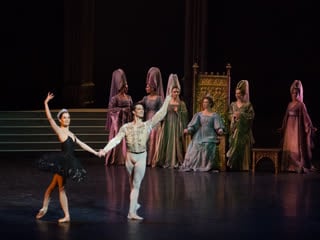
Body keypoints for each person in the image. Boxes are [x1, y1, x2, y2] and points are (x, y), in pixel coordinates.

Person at [98, 90, 173, 220]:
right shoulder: (126, 127)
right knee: (133, 185)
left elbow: (161, 114)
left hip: (141, 157)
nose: (141, 111)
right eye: (138, 109)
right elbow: (116, 140)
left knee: (136, 185)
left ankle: (131, 213)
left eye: (142, 109)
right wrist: (105, 150)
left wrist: (167, 99)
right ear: (133, 112)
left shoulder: (147, 125)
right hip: (129, 157)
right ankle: (134, 205)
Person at [36, 92, 99, 223]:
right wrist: (46, 103)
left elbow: (82, 144)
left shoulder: (71, 133)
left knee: (52, 186)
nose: (67, 119)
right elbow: (50, 119)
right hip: (63, 162)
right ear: (61, 120)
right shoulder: (60, 131)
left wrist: (96, 152)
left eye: (68, 117)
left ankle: (44, 207)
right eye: (64, 117)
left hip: (67, 162)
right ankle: (66, 215)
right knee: (61, 188)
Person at [279, 80, 317, 173]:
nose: (294, 95)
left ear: (299, 94)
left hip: (296, 128)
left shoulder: (301, 105)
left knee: (295, 145)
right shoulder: (289, 104)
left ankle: (297, 165)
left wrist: (310, 127)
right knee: (288, 145)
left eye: (296, 93)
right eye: (293, 93)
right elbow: (285, 117)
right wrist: (283, 127)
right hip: (289, 128)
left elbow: (306, 117)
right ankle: (288, 166)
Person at [179, 96, 225, 172]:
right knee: (195, 145)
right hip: (199, 134)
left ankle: (205, 165)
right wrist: (189, 129)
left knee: (207, 145)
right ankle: (194, 164)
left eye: (206, 102)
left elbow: (218, 126)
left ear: (210, 103)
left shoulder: (214, 115)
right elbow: (194, 125)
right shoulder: (199, 114)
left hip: (210, 134)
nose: (204, 104)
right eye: (203, 102)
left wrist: (220, 130)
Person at [155, 74, 189, 168]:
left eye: (178, 92)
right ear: (171, 92)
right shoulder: (167, 102)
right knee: (167, 141)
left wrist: (178, 112)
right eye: (174, 92)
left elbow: (185, 115)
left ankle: (177, 160)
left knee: (177, 142)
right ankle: (167, 159)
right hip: (168, 124)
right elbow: (162, 113)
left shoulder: (181, 103)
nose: (176, 93)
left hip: (177, 124)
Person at [105, 68, 133, 165]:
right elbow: (111, 110)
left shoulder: (129, 97)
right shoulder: (115, 98)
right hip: (118, 123)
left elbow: (131, 108)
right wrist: (122, 111)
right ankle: (117, 158)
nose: (127, 87)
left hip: (127, 122)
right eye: (125, 85)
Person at [138, 67, 164, 167]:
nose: (146, 88)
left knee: (153, 139)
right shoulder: (145, 98)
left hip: (155, 121)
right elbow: (139, 105)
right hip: (147, 119)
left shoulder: (159, 98)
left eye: (148, 87)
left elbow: (161, 111)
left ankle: (152, 160)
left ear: (153, 87)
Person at [226, 80, 255, 171]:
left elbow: (251, 116)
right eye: (236, 93)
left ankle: (244, 166)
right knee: (234, 144)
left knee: (244, 145)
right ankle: (234, 166)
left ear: (242, 94)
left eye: (239, 93)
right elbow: (228, 114)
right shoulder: (233, 104)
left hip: (244, 130)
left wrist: (241, 115)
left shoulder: (247, 105)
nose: (237, 95)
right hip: (235, 128)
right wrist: (233, 117)